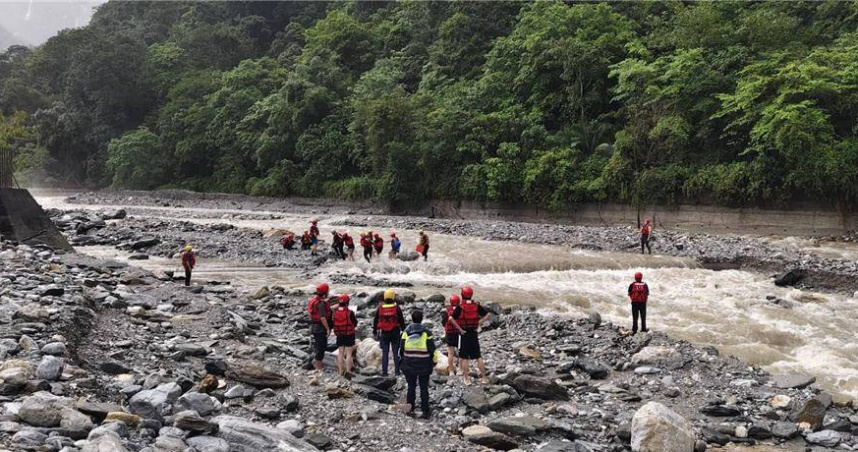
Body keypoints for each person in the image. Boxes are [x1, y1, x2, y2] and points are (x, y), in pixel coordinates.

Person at [399, 309, 438, 419]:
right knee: (424, 387)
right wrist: (434, 362)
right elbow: (433, 350)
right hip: (424, 364)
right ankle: (425, 411)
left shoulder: (406, 332)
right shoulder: (426, 332)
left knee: (411, 386)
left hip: (409, 363)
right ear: (422, 319)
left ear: (412, 319)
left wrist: (402, 361)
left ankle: (410, 409)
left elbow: (401, 349)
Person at [450, 286, 490, 385]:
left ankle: (467, 379)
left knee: (465, 357)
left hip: (464, 333)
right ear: (471, 295)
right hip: (474, 333)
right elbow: (487, 315)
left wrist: (459, 329)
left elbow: (451, 319)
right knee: (478, 356)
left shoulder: (460, 307)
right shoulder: (476, 305)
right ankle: (484, 378)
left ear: (462, 295)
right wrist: (479, 323)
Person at [373, 289, 406, 377]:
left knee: (385, 353)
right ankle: (397, 371)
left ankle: (384, 372)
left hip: (384, 333)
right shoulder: (396, 307)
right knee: (395, 352)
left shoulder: (380, 307)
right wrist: (404, 330)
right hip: (395, 332)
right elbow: (401, 320)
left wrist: (374, 331)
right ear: (393, 297)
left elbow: (375, 320)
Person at [308, 283, 332, 371]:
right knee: (321, 348)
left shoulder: (313, 301)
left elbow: (312, 313)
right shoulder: (321, 304)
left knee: (318, 347)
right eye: (328, 291)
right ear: (324, 293)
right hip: (320, 329)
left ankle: (316, 364)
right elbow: (322, 318)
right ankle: (318, 368)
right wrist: (328, 328)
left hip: (314, 327)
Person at [332, 294, 357, 377]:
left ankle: (340, 371)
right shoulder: (350, 312)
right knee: (349, 354)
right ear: (347, 302)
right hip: (349, 334)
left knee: (340, 353)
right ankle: (348, 371)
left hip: (339, 334)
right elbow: (355, 323)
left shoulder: (335, 312)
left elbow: (333, 323)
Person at [442, 294, 461, 376]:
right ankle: (460, 370)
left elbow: (443, 322)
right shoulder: (461, 310)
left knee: (450, 353)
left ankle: (451, 371)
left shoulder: (447, 311)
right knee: (460, 352)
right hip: (459, 333)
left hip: (450, 333)